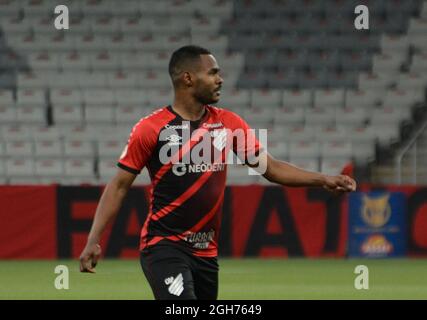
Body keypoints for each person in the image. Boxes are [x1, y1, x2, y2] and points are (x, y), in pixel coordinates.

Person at [79, 45, 357, 300]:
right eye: (212, 73)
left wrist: (323, 179)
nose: (220, 79)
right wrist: (93, 240)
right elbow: (119, 186)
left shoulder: (228, 124)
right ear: (188, 78)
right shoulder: (151, 129)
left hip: (206, 252)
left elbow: (270, 169)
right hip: (163, 246)